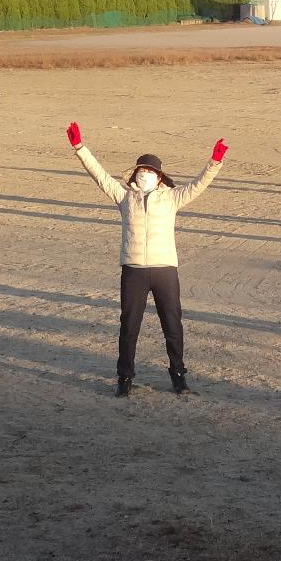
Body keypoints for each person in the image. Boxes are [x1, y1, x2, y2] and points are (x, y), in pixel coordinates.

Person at [67, 121, 228, 397]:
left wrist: (214, 162)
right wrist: (80, 147)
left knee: (173, 325)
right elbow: (99, 175)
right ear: (134, 175)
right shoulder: (124, 196)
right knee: (129, 327)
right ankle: (124, 378)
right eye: (141, 170)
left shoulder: (173, 198)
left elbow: (199, 185)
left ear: (159, 176)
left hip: (165, 269)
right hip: (134, 269)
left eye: (149, 171)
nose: (144, 174)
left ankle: (178, 376)